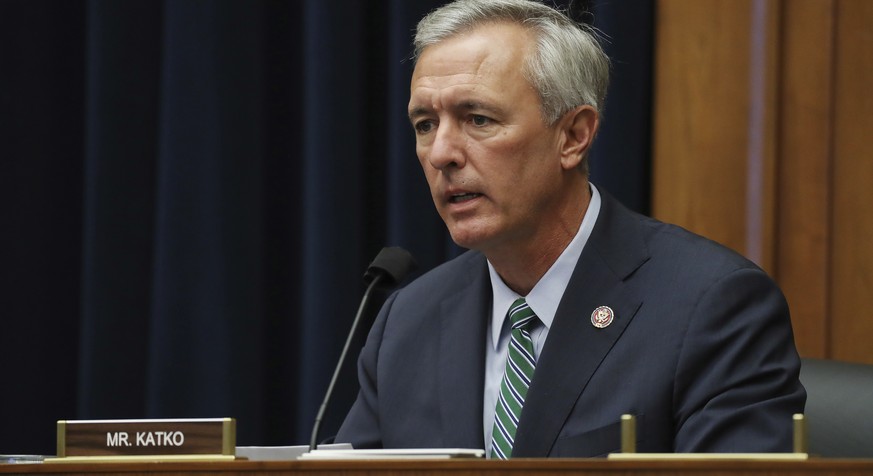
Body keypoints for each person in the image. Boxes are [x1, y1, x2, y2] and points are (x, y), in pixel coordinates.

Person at [336, 0, 805, 458]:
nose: (441, 153)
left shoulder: (712, 307)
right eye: (425, 124)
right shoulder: (407, 322)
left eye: (478, 119)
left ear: (574, 136)